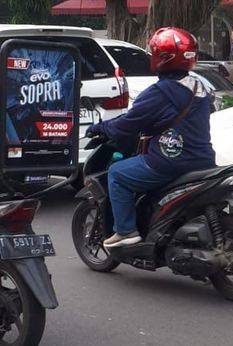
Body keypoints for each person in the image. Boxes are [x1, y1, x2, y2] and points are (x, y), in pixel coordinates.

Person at [86, 27, 216, 248]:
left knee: (117, 174)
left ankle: (126, 231)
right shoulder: (200, 86)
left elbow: (129, 123)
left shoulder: (161, 92)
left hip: (169, 162)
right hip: (203, 160)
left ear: (162, 58)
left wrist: (102, 128)